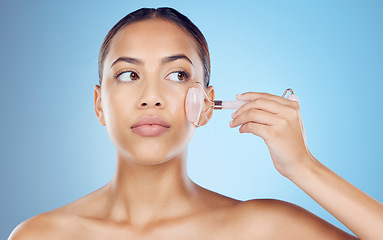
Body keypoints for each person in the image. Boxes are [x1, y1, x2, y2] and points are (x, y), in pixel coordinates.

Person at [9, 7, 383, 239]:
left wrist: (304, 167)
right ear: (98, 104)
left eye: (176, 75)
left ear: (206, 104)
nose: (151, 97)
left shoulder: (261, 229)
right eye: (128, 75)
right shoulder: (42, 236)